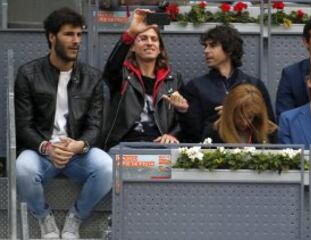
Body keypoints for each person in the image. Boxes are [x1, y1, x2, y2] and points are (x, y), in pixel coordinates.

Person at [15, 8, 112, 239]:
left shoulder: (92, 77)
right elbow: (23, 125)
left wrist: (80, 145)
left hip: (76, 152)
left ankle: (75, 217)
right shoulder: (28, 74)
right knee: (23, 168)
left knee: (107, 167)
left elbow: (95, 124)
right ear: (51, 36)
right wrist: (47, 147)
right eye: (69, 34)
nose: (76, 41)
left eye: (79, 34)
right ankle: (43, 217)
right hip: (41, 151)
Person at [102, 9, 188, 150]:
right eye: (143, 39)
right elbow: (110, 69)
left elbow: (186, 119)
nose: (149, 43)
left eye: (154, 39)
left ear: (159, 48)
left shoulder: (174, 79)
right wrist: (131, 33)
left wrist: (174, 135)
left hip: (161, 145)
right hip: (125, 146)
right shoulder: (123, 75)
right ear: (133, 48)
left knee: (175, 152)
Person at [179, 25, 275, 143]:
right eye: (205, 46)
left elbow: (268, 127)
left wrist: (239, 113)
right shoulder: (196, 86)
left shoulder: (254, 85)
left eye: (213, 45)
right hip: (211, 153)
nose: (206, 50)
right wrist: (226, 115)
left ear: (229, 49)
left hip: (251, 153)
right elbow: (192, 134)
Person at [203, 84, 277, 143]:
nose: (244, 123)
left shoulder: (269, 133)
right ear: (230, 113)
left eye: (250, 117)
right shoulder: (214, 132)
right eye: (239, 117)